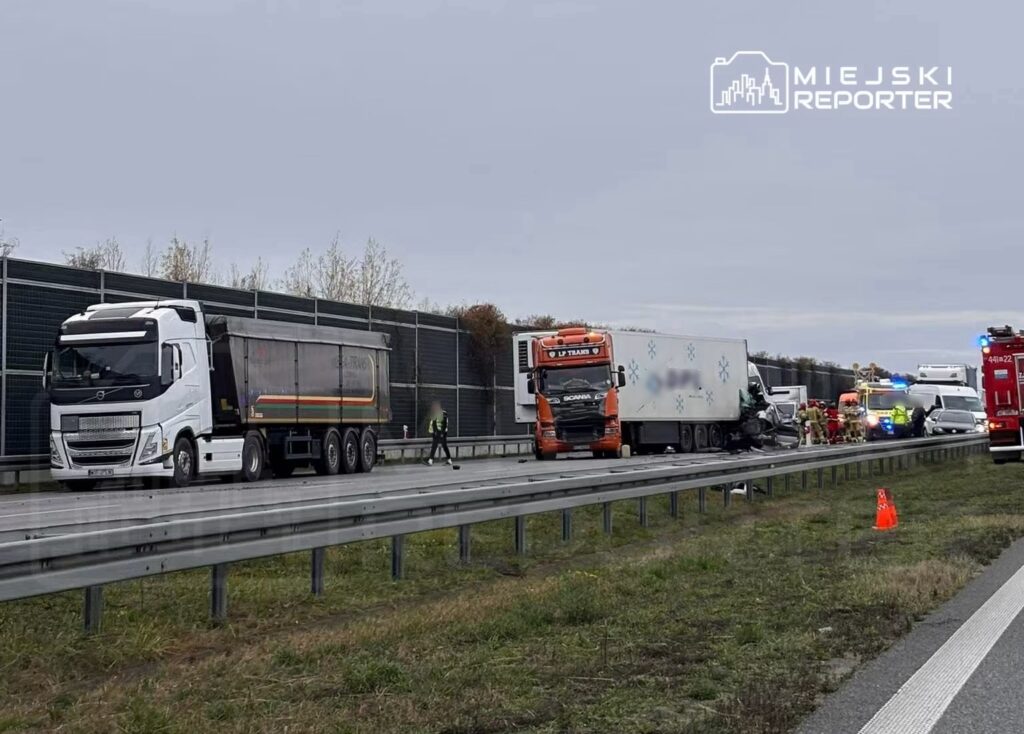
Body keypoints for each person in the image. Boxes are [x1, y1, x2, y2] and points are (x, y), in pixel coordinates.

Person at [426, 401, 452, 466]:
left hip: (441, 432)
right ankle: (449, 460)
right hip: (437, 432)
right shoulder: (436, 413)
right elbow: (434, 423)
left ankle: (430, 461)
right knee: (443, 446)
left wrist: (441, 433)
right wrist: (433, 431)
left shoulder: (443, 413)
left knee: (436, 445)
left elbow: (444, 423)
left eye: (435, 406)